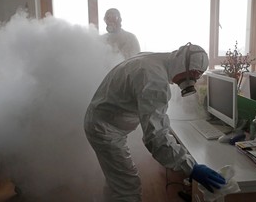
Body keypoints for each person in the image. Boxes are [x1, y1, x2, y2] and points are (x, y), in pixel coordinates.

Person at [84, 42, 226, 202]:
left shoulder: (155, 60)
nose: (191, 82)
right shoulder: (155, 81)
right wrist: (191, 167)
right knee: (127, 187)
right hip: (104, 129)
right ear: (189, 70)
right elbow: (156, 139)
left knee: (117, 179)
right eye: (194, 76)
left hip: (103, 121)